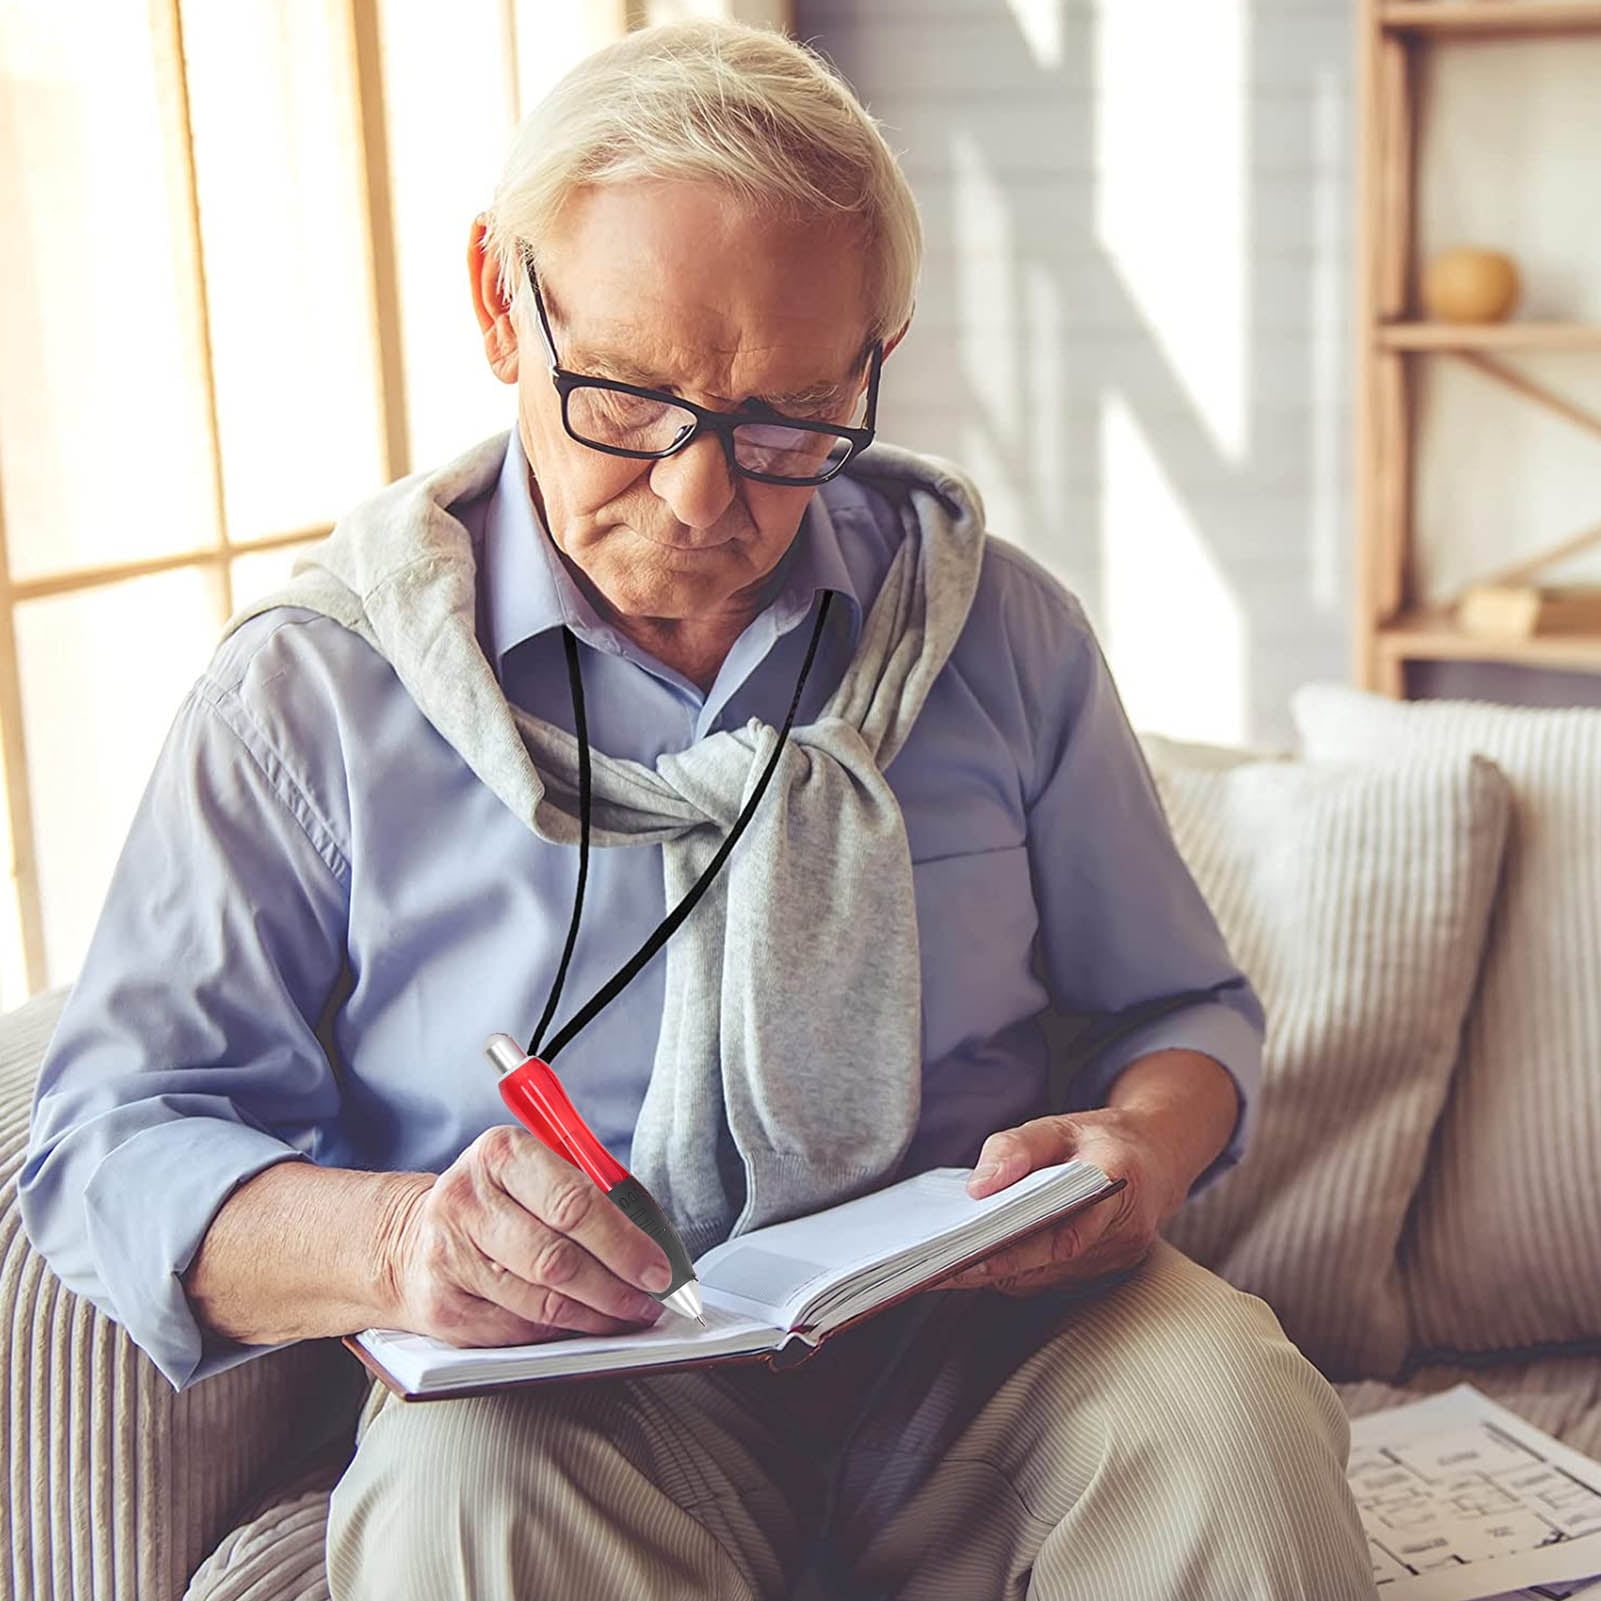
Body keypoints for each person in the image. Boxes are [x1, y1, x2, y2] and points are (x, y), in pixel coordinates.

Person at [20, 18, 1375, 1600]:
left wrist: (1139, 1144)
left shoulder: (994, 630)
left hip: (993, 1352)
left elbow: (1182, 1007)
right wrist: (405, 1247)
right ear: (497, 303)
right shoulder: (306, 700)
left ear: (876, 357)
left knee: (1226, 1408)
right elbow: (112, 1140)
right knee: (471, 1497)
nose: (698, 495)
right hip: (563, 1390)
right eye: (630, 397)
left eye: (789, 419)